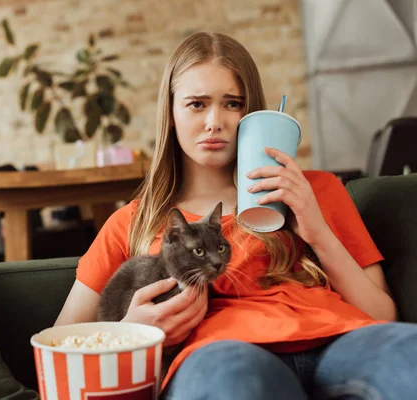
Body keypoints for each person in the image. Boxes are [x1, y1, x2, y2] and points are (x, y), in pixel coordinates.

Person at [54, 31, 417, 399]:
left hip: (344, 340)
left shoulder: (312, 190)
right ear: (172, 112)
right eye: (197, 104)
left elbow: (382, 314)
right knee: (235, 385)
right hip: (222, 355)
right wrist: (134, 331)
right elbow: (62, 346)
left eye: (232, 104)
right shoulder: (135, 221)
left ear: (252, 112)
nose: (215, 121)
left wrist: (317, 231)